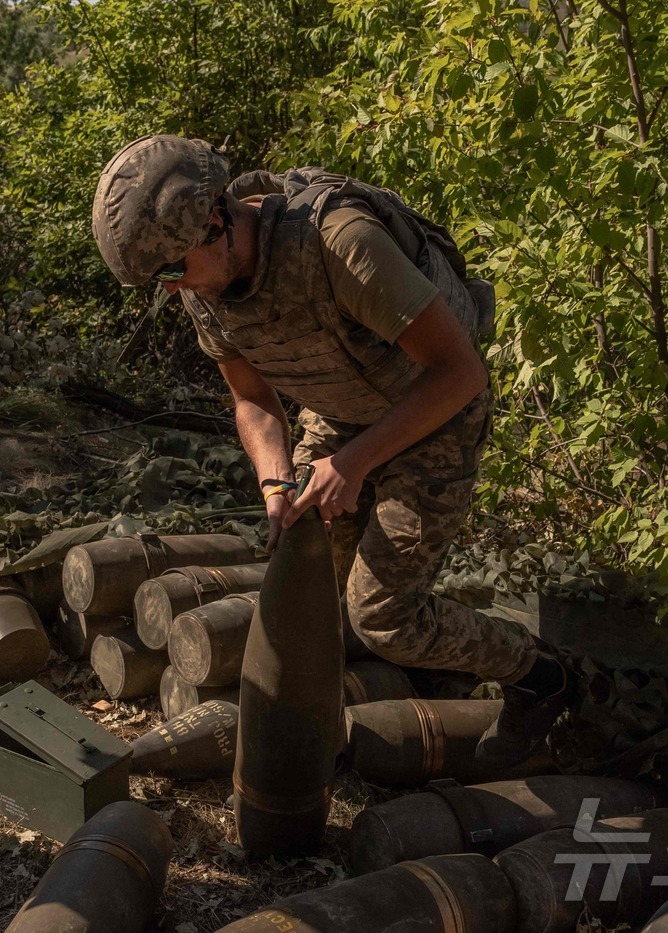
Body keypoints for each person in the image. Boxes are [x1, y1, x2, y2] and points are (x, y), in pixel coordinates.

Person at [92, 134, 573, 769]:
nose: (176, 287)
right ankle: (412, 681)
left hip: (435, 413)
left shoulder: (340, 243)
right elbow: (254, 400)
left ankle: (543, 677)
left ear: (216, 221)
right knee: (319, 575)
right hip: (343, 411)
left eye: (175, 269)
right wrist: (275, 482)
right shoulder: (202, 289)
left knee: (382, 615)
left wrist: (352, 465)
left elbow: (461, 374)